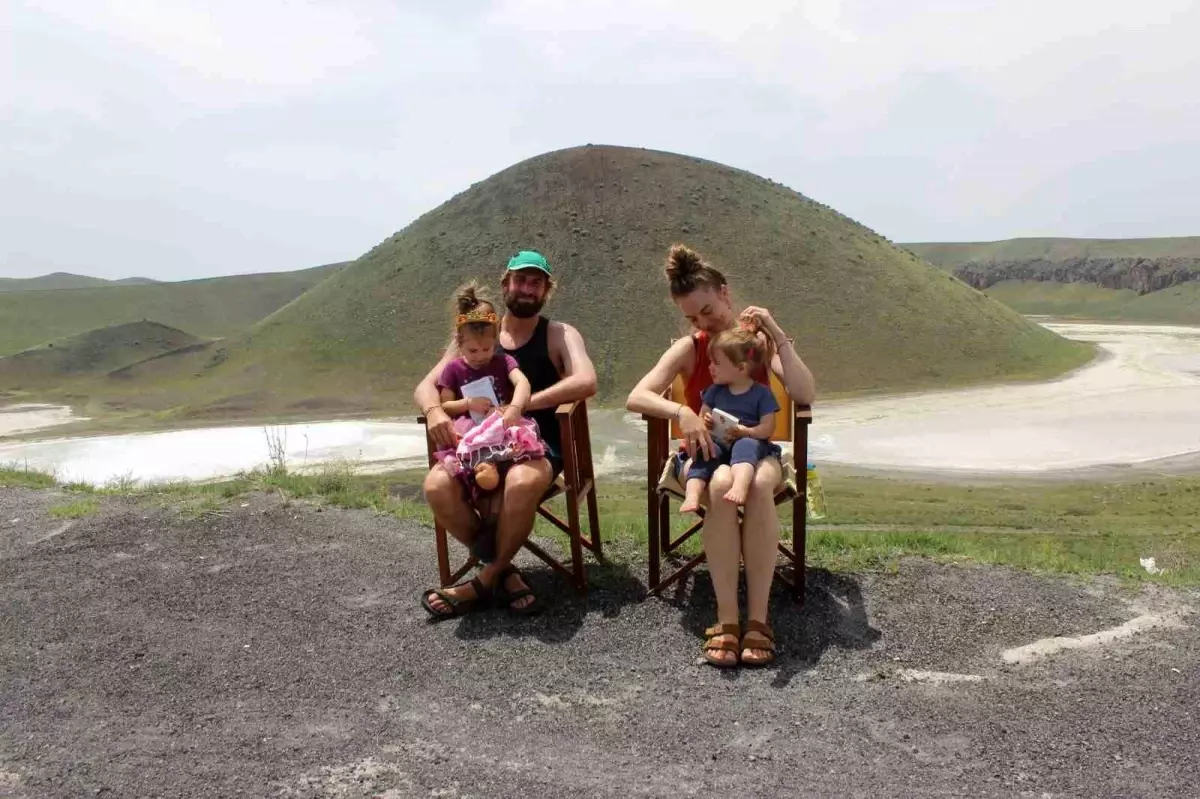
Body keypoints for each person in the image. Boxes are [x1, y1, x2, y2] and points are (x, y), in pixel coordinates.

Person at [625, 244, 816, 668]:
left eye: (708, 310)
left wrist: (775, 333)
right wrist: (682, 413)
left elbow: (805, 395)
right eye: (693, 317)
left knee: (760, 482)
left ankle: (758, 620)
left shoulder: (755, 346)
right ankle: (728, 618)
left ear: (725, 294)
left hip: (755, 450)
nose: (702, 322)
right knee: (719, 483)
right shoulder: (691, 349)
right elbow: (635, 396)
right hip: (705, 455)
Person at [414, 250, 598, 618]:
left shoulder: (559, 333)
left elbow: (586, 380)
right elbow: (425, 386)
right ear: (506, 285)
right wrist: (435, 411)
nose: (528, 288)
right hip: (474, 451)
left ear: (547, 289)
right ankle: (506, 572)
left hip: (535, 448)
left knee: (517, 484)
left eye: (536, 282)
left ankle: (483, 581)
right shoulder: (476, 332)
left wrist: (521, 406)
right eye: (521, 280)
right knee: (436, 486)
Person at [429, 281, 546, 511]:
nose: (481, 356)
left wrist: (514, 407)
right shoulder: (453, 369)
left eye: (487, 349)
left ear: (495, 342)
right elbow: (447, 406)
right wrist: (467, 403)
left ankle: (495, 476)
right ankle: (485, 476)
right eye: (473, 351)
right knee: (467, 444)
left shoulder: (503, 362)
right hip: (471, 427)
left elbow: (522, 382)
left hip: (500, 421)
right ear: (459, 343)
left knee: (517, 438)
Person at [679, 327, 780, 514]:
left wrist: (747, 431)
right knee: (706, 453)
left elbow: (768, 428)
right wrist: (706, 421)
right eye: (710, 362)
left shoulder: (761, 394)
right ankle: (692, 495)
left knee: (745, 446)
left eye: (716, 363)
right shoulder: (715, 391)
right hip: (719, 441)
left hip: (750, 442)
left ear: (741, 368)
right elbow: (702, 417)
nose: (710, 367)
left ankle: (739, 487)